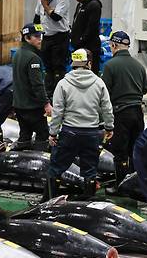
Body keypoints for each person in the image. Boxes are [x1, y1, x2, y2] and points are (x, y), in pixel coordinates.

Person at [45, 48, 114, 201]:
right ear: (89, 63)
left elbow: (58, 112)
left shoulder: (63, 83)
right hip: (91, 133)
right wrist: (109, 127)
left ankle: (47, 203)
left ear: (73, 63)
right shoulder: (99, 83)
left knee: (55, 168)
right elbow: (107, 109)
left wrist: (53, 133)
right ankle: (87, 206)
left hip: (69, 133)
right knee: (89, 171)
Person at [101, 30, 147, 194]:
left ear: (114, 45)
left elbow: (104, 92)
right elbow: (144, 89)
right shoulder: (139, 66)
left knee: (120, 152)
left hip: (120, 114)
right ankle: (137, 186)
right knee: (135, 150)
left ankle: (121, 187)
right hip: (138, 113)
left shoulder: (110, 66)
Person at [12, 23, 52, 151]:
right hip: (32, 107)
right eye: (36, 36)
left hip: (19, 105)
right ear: (27, 38)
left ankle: (21, 164)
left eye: (40, 36)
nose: (40, 39)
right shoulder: (33, 58)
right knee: (43, 135)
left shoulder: (18, 54)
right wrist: (46, 104)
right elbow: (37, 85)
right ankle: (38, 167)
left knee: (25, 135)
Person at [34, 0, 71, 98]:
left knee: (58, 67)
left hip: (59, 37)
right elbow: (36, 17)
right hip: (46, 37)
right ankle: (48, 94)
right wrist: (36, 34)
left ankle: (60, 94)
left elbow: (56, 17)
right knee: (48, 66)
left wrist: (45, 6)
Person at [70, 0, 102, 75]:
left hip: (89, 47)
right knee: (77, 72)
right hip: (79, 47)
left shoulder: (94, 5)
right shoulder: (80, 5)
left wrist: (80, 40)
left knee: (90, 72)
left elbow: (92, 28)